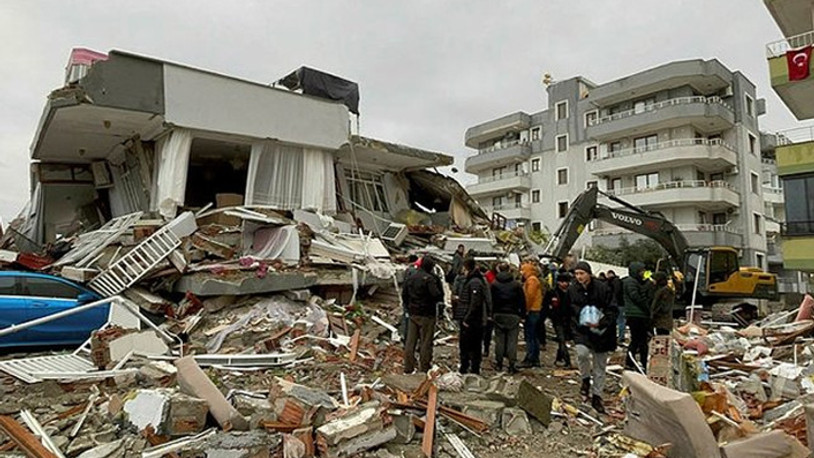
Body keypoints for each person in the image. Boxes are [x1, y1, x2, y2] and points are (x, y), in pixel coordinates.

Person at [568, 261, 617, 414]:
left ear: (589, 273)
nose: (579, 277)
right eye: (576, 274)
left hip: (602, 332)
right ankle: (585, 378)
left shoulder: (603, 288)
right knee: (582, 354)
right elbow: (569, 309)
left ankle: (597, 396)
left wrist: (601, 322)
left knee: (600, 366)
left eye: (581, 273)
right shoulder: (573, 290)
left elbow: (612, 309)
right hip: (581, 330)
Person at [402, 256, 444, 374]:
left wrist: (408, 307)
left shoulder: (411, 277)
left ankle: (408, 367)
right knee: (426, 342)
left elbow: (404, 294)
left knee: (410, 342)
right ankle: (424, 367)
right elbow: (437, 295)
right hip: (427, 314)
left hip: (413, 313)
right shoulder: (430, 279)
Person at [454, 258, 489, 374]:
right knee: (471, 345)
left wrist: (467, 318)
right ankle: (469, 367)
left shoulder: (474, 282)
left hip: (472, 321)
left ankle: (470, 368)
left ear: (466, 267)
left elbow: (475, 302)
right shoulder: (474, 281)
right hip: (471, 319)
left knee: (470, 345)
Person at [490, 262, 525, 373]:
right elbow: (522, 300)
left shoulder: (494, 284)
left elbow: (490, 300)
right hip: (513, 315)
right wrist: (522, 315)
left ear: (499, 270)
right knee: (512, 341)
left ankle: (499, 363)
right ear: (510, 270)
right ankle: (511, 364)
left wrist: (491, 314)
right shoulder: (516, 284)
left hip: (498, 314)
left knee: (499, 340)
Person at [622, 262, 654, 371]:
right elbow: (636, 296)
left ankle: (631, 362)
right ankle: (641, 363)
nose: (643, 273)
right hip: (636, 315)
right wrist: (646, 308)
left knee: (637, 341)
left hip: (636, 314)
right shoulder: (630, 282)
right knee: (640, 341)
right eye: (641, 271)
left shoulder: (636, 282)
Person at [545, 271, 574, 368]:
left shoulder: (571, 293)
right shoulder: (553, 292)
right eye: (562, 282)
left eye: (566, 282)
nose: (564, 284)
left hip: (569, 320)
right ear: (558, 282)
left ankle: (559, 358)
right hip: (557, 319)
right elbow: (546, 304)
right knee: (562, 340)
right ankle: (567, 361)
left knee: (563, 339)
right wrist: (550, 315)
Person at [520, 263, 544, 368]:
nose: (521, 272)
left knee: (530, 335)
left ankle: (530, 358)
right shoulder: (533, 279)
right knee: (534, 336)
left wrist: (525, 310)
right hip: (535, 310)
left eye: (523, 270)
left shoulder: (531, 281)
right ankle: (534, 358)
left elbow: (529, 297)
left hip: (532, 310)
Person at [400, 254, 421, 339]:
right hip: (414, 300)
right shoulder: (417, 272)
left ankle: (405, 336)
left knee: (406, 317)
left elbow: (405, 287)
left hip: (408, 298)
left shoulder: (408, 271)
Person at [606, 270, 624, 344]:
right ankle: (619, 336)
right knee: (620, 321)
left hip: (618, 304)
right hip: (620, 303)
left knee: (620, 321)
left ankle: (620, 337)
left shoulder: (614, 281)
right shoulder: (617, 281)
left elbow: (616, 293)